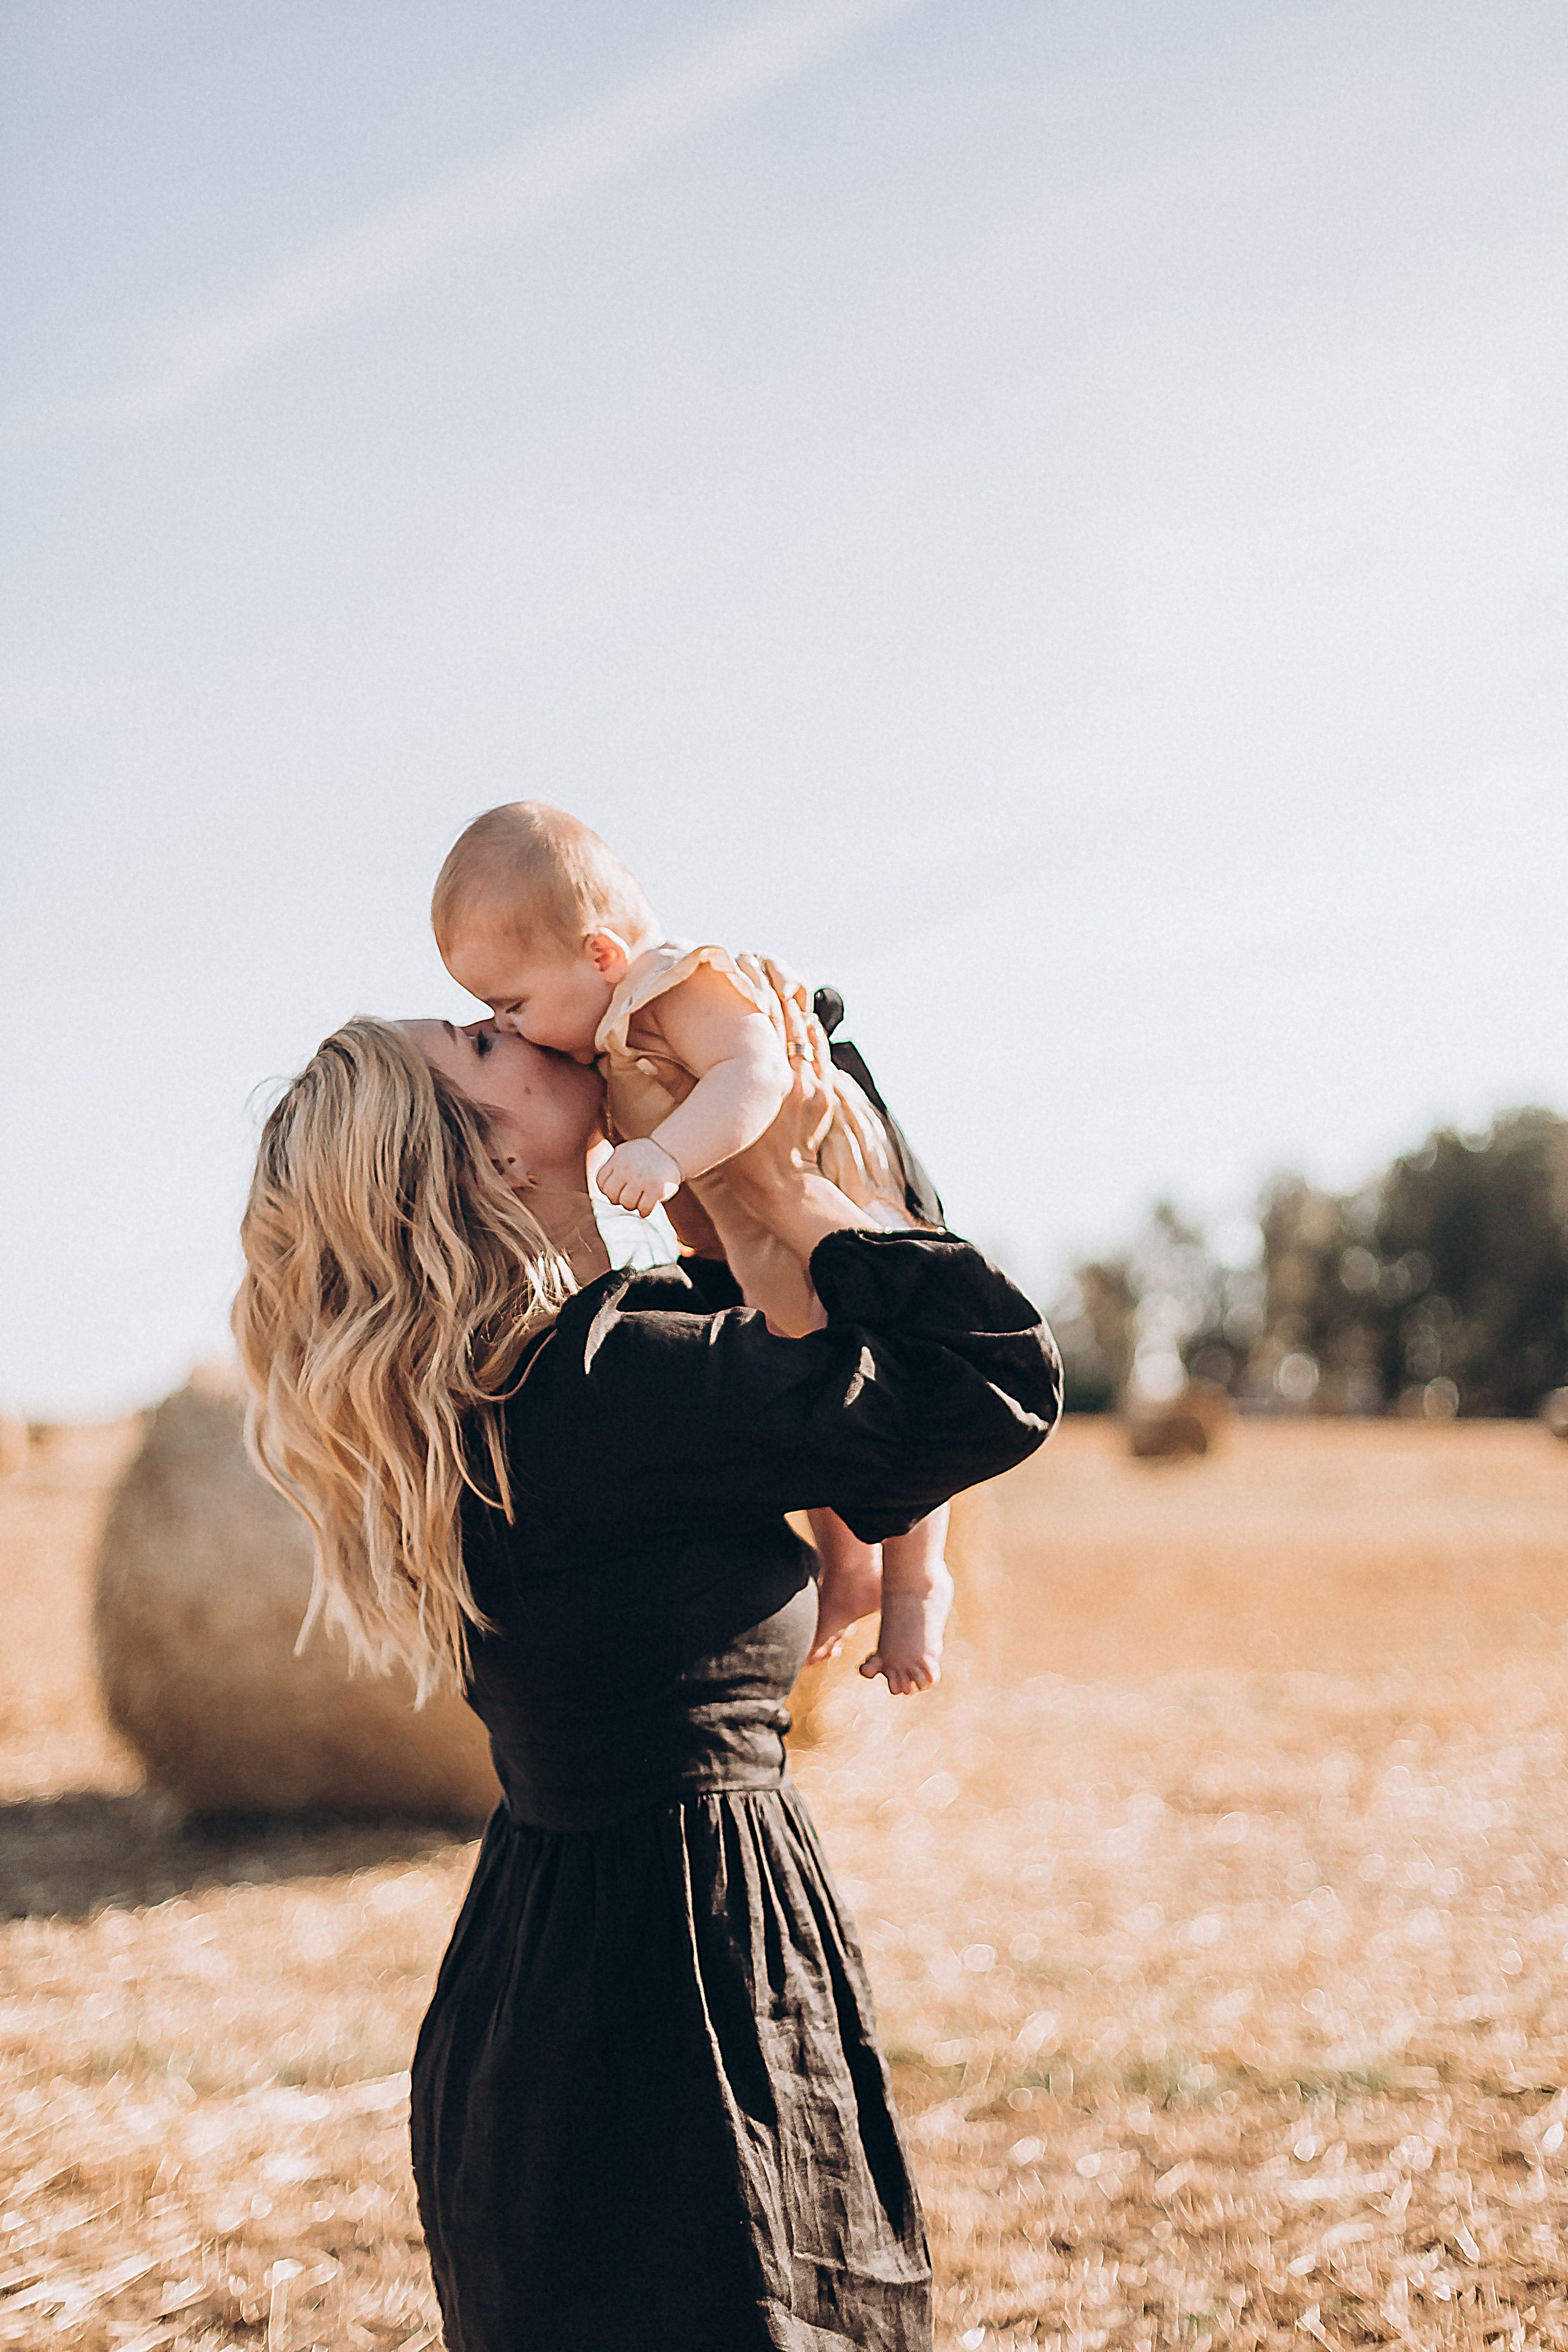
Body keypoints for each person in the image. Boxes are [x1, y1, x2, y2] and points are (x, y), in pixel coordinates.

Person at [233, 998, 1060, 2352]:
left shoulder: (530, 1393)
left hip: (559, 1971)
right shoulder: (610, 1389)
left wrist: (780, 1065)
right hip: (676, 1987)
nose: (528, 1027)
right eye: (485, 1046)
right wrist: (780, 1176)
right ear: (489, 1164)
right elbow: (982, 1381)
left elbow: (811, 1324)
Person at [430, 797, 953, 1695]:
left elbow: (757, 1072)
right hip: (757, 1242)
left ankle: (916, 1580)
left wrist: (668, 1155)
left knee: (891, 1373)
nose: (510, 1027)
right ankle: (850, 1564)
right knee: (812, 1389)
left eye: (509, 1004)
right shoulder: (601, 1042)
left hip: (835, 1196)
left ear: (599, 955)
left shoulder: (676, 987)